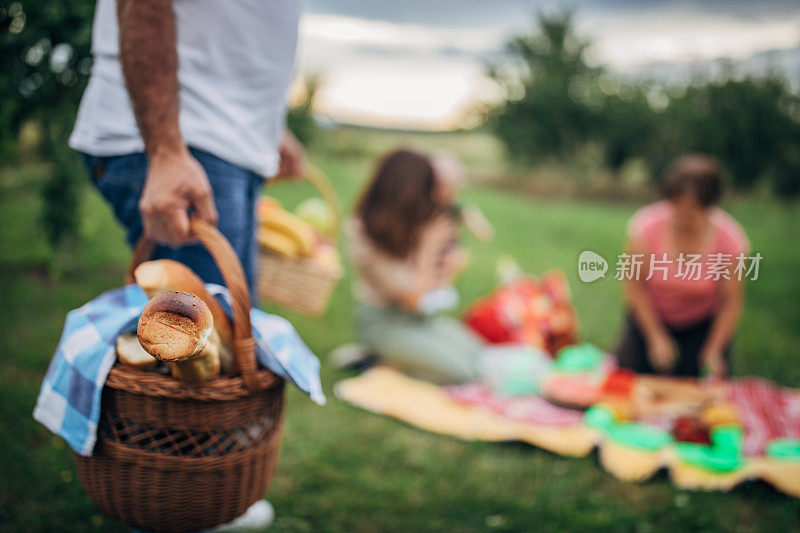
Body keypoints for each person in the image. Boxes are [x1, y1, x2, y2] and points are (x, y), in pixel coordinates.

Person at [69, 0, 306, 296]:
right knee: (194, 329)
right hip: (184, 139)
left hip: (223, 140)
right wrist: (166, 150)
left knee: (232, 327)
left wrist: (267, 129)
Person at [348, 148, 490, 383]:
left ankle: (401, 356)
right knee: (460, 373)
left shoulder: (410, 223)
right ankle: (380, 360)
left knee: (479, 357)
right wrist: (428, 248)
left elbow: (432, 291)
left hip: (422, 320)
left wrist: (449, 267)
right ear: (407, 192)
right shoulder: (364, 237)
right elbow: (413, 299)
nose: (434, 200)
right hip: (385, 324)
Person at [614, 154, 749, 378]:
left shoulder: (730, 239)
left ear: (709, 207)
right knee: (627, 379)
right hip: (649, 316)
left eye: (693, 210)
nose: (683, 216)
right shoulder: (645, 227)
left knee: (704, 386)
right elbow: (633, 287)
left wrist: (714, 350)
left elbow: (730, 302)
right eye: (677, 206)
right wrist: (655, 336)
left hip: (701, 326)